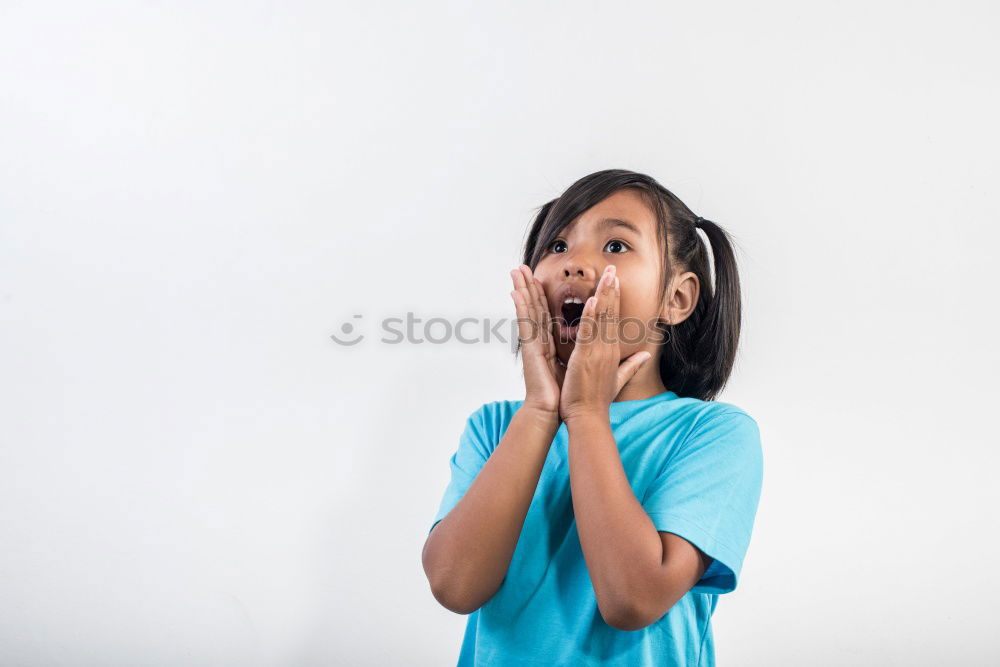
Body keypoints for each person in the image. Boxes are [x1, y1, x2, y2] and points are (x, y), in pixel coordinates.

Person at [421, 168, 764, 666]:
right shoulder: (494, 427)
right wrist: (541, 410)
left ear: (677, 298)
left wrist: (585, 412)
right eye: (557, 246)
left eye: (616, 246)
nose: (574, 264)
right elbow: (454, 585)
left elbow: (633, 598)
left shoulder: (712, 435)